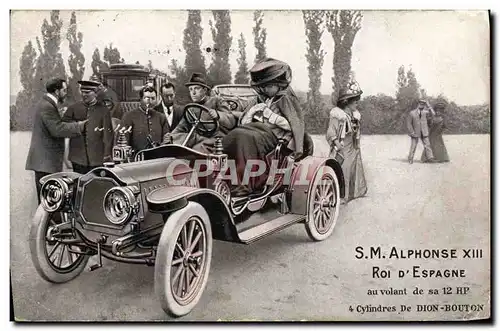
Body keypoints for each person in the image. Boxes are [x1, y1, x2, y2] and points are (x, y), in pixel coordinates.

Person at [222, 58, 305, 197]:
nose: (265, 89)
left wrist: (271, 116)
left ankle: (245, 185)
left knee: (244, 139)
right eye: (263, 86)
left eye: (269, 86)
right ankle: (227, 181)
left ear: (279, 85)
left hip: (274, 138)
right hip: (256, 132)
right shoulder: (260, 99)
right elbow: (243, 121)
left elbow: (294, 126)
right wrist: (251, 113)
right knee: (233, 136)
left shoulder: (286, 99)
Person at [25, 78, 88, 203]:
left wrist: (59, 114)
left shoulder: (47, 104)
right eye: (64, 90)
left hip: (44, 162)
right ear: (56, 91)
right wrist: (80, 125)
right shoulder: (47, 106)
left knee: (48, 200)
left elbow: (52, 123)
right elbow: (57, 129)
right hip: (45, 163)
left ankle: (49, 223)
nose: (66, 93)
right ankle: (48, 223)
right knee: (48, 202)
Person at [165, 73, 237, 153]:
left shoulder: (217, 101)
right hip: (198, 138)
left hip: (216, 140)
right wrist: (171, 136)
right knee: (173, 142)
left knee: (196, 149)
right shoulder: (191, 109)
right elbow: (181, 127)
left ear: (205, 90)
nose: (193, 93)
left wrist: (218, 115)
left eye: (196, 88)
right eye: (191, 89)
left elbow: (231, 121)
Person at [326, 82, 368, 204]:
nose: (357, 103)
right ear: (346, 102)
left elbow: (356, 131)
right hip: (342, 147)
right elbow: (330, 132)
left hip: (353, 147)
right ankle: (341, 196)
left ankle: (354, 193)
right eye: (354, 101)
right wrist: (337, 145)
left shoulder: (354, 115)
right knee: (343, 169)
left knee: (355, 168)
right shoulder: (337, 115)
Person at [62, 80, 114, 174]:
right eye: (82, 92)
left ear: (95, 93)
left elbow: (108, 135)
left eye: (87, 92)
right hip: (78, 158)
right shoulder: (73, 108)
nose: (84, 95)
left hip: (97, 158)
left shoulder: (103, 110)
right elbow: (64, 127)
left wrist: (107, 154)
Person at [121, 85, 169, 154]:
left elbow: (166, 143)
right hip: (136, 161)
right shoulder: (128, 117)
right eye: (147, 98)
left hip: (158, 160)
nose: (150, 102)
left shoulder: (161, 117)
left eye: (153, 98)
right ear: (140, 99)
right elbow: (123, 145)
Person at [406, 99, 436, 164]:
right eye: (420, 104)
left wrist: (428, 105)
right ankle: (410, 158)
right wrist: (412, 132)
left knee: (427, 145)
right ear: (418, 104)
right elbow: (409, 124)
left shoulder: (425, 112)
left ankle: (430, 158)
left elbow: (433, 114)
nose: (421, 105)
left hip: (424, 132)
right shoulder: (412, 113)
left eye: (423, 104)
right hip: (415, 132)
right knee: (413, 146)